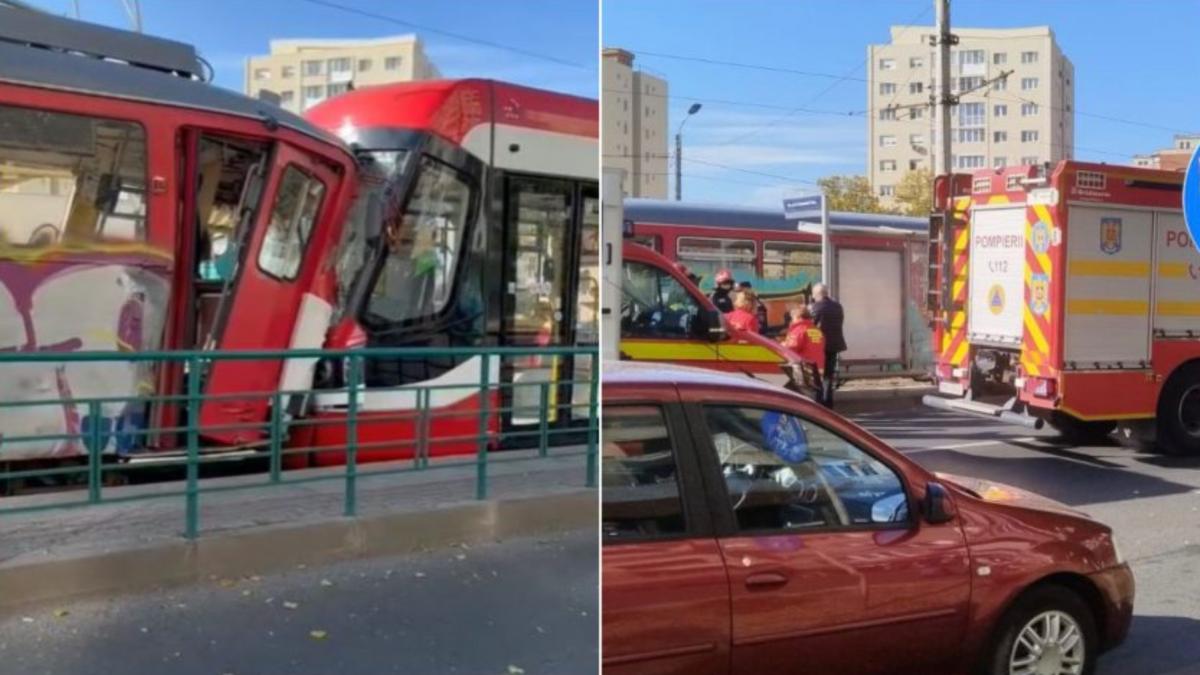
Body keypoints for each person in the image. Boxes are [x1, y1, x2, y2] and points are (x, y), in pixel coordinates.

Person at [809, 283, 847, 408]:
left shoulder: (815, 307)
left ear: (816, 294)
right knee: (828, 376)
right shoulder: (837, 306)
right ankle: (828, 403)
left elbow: (810, 326)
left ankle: (819, 404)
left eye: (813, 294)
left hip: (819, 346)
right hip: (834, 345)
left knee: (817, 375)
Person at [782, 304, 826, 396]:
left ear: (797, 317)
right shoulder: (816, 330)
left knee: (802, 395)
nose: (791, 320)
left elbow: (790, 349)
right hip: (818, 368)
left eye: (792, 317)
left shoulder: (799, 330)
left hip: (804, 369)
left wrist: (782, 345)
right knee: (815, 393)